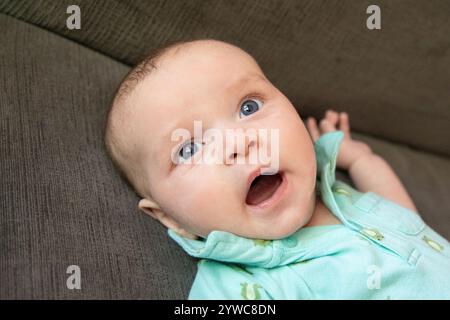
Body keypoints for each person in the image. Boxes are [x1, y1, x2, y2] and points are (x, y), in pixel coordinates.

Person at [104, 39, 450, 299]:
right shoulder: (242, 285)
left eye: (248, 107)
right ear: (169, 217)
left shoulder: (338, 193)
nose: (238, 145)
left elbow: (404, 216)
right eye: (189, 148)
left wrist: (360, 160)